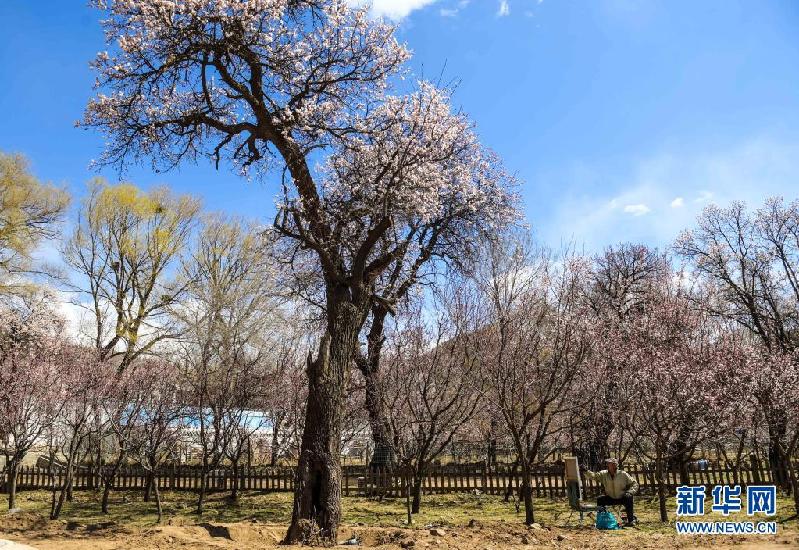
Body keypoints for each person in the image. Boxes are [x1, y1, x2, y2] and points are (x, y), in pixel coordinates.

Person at [583, 458, 638, 526]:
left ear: (615, 465)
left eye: (610, 463)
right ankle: (603, 520)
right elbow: (594, 476)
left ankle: (631, 521)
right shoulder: (604, 474)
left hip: (622, 497)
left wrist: (630, 492)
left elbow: (634, 483)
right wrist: (586, 471)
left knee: (629, 498)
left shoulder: (623, 474)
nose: (608, 465)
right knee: (600, 500)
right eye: (607, 463)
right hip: (611, 497)